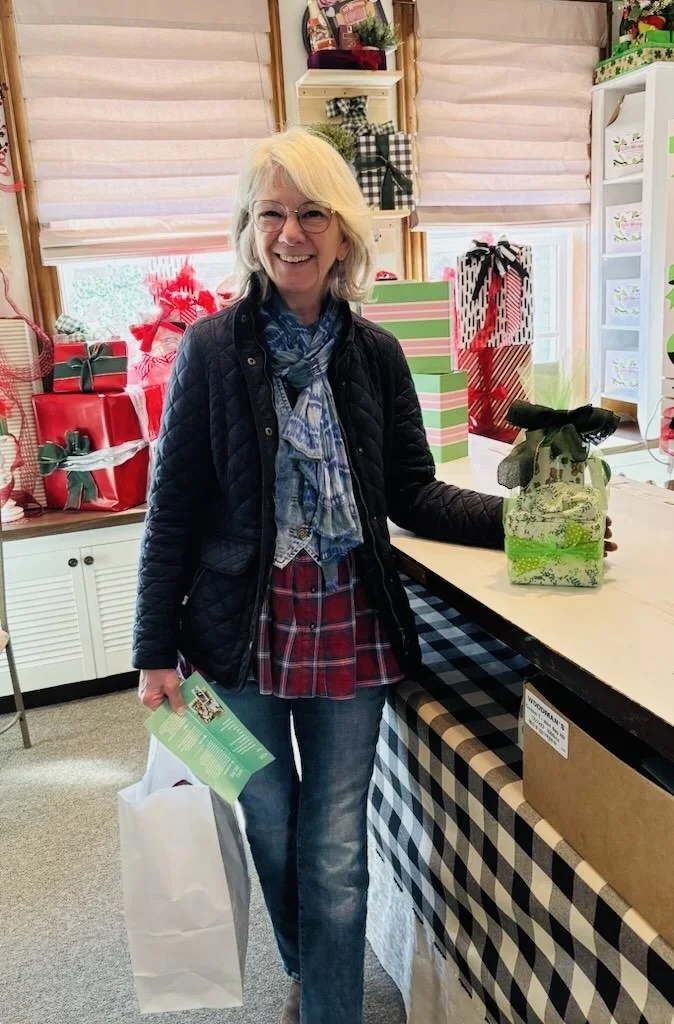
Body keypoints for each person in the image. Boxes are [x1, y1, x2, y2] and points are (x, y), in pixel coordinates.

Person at [133, 127, 615, 1024]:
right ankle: (305, 965)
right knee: (272, 824)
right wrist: (153, 649)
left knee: (334, 848)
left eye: (313, 212)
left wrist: (534, 521)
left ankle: (328, 1010)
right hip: (239, 636)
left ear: (345, 233)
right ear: (248, 230)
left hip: (350, 624)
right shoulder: (206, 351)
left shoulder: (376, 356)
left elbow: (414, 495)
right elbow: (173, 513)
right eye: (272, 213)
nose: (292, 233)